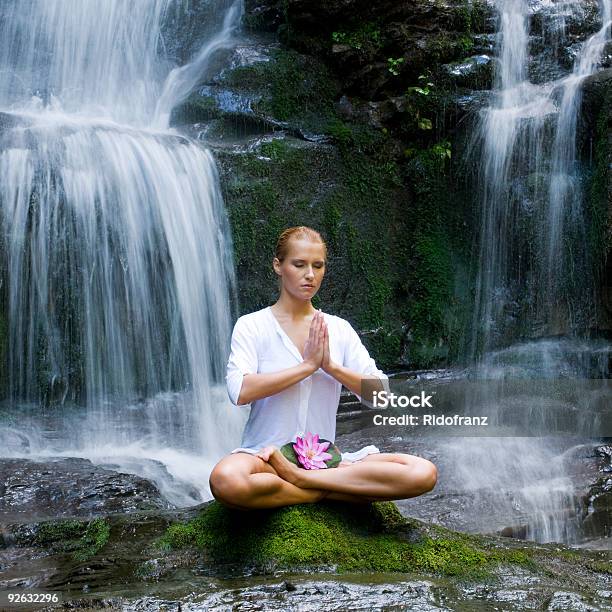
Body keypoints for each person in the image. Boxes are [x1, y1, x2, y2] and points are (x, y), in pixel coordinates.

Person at [209, 226, 437, 510]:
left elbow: (382, 396)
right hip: (266, 457)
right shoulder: (252, 326)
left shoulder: (338, 329)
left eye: (318, 266)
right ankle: (317, 489)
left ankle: (303, 481)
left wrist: (330, 366)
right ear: (278, 266)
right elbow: (240, 390)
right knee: (226, 480)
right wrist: (306, 367)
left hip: (328, 460)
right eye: (299, 264)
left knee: (422, 472)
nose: (310, 275)